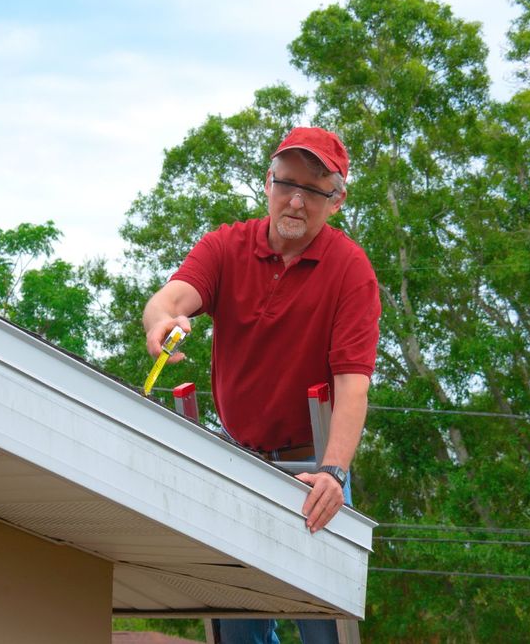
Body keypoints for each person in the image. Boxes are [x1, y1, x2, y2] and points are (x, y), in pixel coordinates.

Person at [143, 127, 381, 644]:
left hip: (311, 475)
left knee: (324, 628)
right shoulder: (226, 246)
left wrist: (334, 474)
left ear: (336, 200)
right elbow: (171, 298)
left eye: (314, 189)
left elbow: (353, 385)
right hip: (238, 462)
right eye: (286, 184)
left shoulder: (350, 271)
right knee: (236, 629)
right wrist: (162, 321)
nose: (296, 200)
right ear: (267, 183)